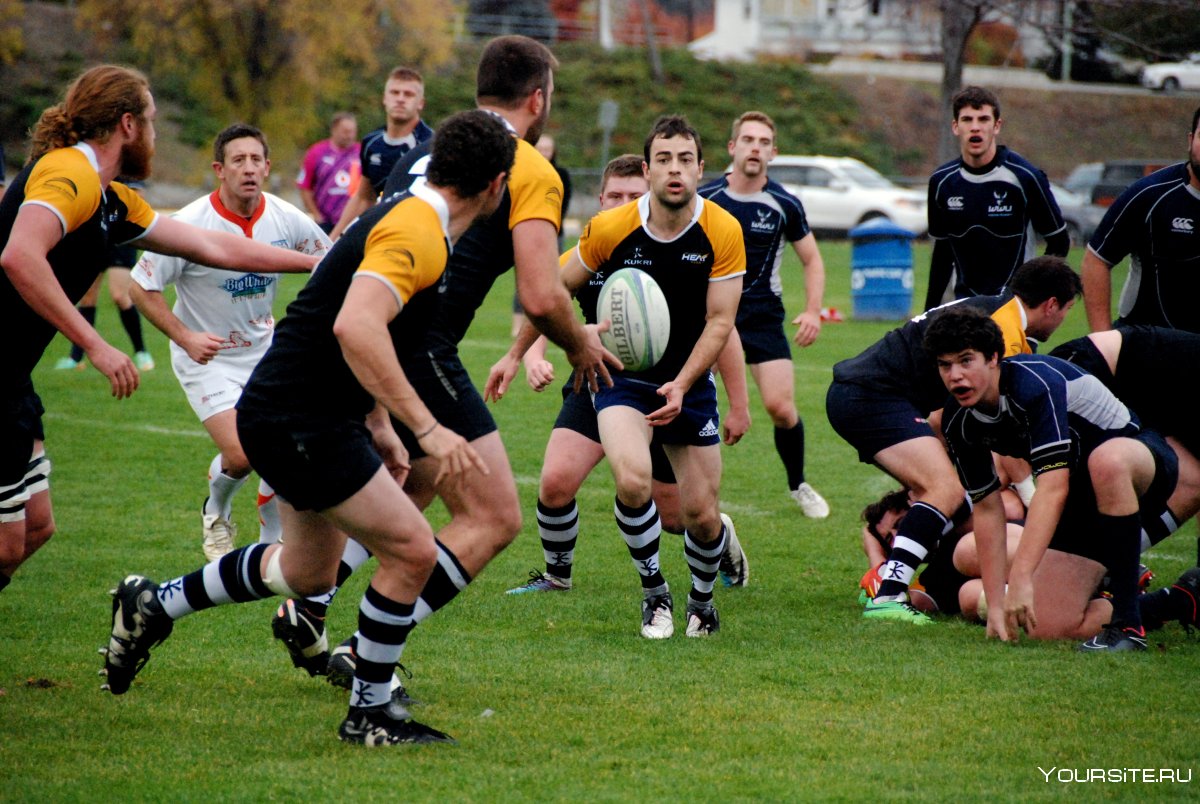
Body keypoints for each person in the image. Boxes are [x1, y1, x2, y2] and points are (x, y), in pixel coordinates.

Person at [100, 110, 516, 748]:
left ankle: (153, 604)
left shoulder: (414, 216)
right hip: (301, 418)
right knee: (412, 549)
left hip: (295, 410)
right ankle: (370, 713)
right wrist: (426, 430)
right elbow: (356, 326)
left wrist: (377, 419)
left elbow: (345, 312)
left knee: (309, 572)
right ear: (495, 185)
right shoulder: (419, 230)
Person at [273, 35, 617, 688]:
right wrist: (579, 345)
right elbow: (543, 294)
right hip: (418, 351)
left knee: (416, 488)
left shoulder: (430, 154)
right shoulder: (533, 170)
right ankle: (365, 650)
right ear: (538, 99)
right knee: (493, 517)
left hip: (367, 341)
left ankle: (301, 607)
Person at [0, 65, 318, 595]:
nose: (155, 132)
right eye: (150, 120)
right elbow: (19, 255)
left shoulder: (111, 199)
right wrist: (96, 345)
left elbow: (214, 247)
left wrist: (313, 265)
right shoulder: (69, 173)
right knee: (8, 541)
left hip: (15, 382)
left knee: (36, 529)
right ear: (127, 125)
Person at [488, 154, 751, 594]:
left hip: (663, 390)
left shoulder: (666, 252)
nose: (624, 203)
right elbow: (547, 303)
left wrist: (740, 405)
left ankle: (718, 535)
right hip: (596, 383)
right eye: (615, 195)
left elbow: (724, 331)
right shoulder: (588, 251)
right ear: (600, 199)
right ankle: (557, 577)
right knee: (555, 482)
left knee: (678, 516)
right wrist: (523, 356)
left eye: (634, 195)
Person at [540, 115, 745, 639]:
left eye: (684, 160)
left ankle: (703, 603)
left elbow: (722, 321)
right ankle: (655, 593)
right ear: (649, 168)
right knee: (632, 480)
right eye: (663, 159)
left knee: (700, 516)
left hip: (690, 383)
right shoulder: (612, 227)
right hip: (622, 381)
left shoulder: (722, 229)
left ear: (701, 169)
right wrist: (567, 341)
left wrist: (684, 383)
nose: (674, 170)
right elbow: (551, 290)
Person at [825, 256, 1082, 624]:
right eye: (1068, 309)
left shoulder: (997, 312)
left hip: (869, 395)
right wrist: (1031, 497)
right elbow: (996, 431)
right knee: (946, 489)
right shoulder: (1003, 334)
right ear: (1052, 304)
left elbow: (949, 421)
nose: (1063, 320)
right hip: (871, 396)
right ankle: (889, 595)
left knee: (956, 491)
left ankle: (906, 577)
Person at [130, 123, 331, 560]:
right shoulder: (187, 224)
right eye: (238, 160)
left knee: (286, 446)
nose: (249, 169)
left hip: (266, 353)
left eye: (256, 160)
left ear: (268, 167)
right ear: (219, 169)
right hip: (208, 357)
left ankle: (267, 546)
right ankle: (215, 510)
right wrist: (184, 337)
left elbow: (327, 264)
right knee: (241, 455)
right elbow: (139, 287)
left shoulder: (284, 217)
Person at [927, 306, 1178, 651]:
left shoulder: (1033, 385)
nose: (955, 375)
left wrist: (1020, 577)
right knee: (1047, 624)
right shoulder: (958, 419)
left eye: (966, 360)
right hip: (1080, 498)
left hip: (1140, 463)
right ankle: (1178, 600)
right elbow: (987, 508)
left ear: (994, 358)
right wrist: (997, 605)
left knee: (1106, 460)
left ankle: (1128, 629)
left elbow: (1053, 488)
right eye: (945, 365)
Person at [698, 110, 830, 518]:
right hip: (710, 316)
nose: (755, 148)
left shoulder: (785, 203)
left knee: (780, 408)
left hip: (762, 317)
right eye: (748, 140)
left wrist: (812, 311)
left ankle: (799, 484)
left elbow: (812, 260)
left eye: (763, 142)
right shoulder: (706, 198)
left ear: (773, 152)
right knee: (694, 401)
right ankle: (693, 490)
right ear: (732, 147)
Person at [924, 86, 1069, 310]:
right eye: (967, 120)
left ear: (996, 126)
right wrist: (929, 313)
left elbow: (1059, 241)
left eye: (983, 119)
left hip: (1014, 308)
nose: (975, 128)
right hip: (966, 309)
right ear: (955, 126)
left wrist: (1034, 296)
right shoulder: (942, 182)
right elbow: (943, 253)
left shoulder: (1025, 177)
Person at [1081, 106, 1200, 333]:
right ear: (1190, 139)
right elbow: (1096, 260)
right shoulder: (1150, 194)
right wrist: (1103, 341)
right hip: (1146, 344)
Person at [53, 181, 155, 372]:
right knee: (88, 297)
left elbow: (138, 196)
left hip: (120, 238)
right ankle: (76, 357)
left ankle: (141, 352)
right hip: (96, 234)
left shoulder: (124, 163)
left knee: (119, 296)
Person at [328, 67, 432, 240]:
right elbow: (364, 198)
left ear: (420, 103)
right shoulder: (371, 143)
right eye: (395, 92)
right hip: (379, 231)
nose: (400, 99)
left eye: (408, 94)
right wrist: (332, 241)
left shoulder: (431, 144)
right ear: (385, 98)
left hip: (416, 235)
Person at [510, 133, 574, 336]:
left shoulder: (561, 174)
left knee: (556, 280)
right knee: (525, 280)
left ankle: (552, 325)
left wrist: (548, 225)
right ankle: (517, 325)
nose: (544, 152)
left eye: (548, 149)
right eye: (541, 148)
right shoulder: (526, 172)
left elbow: (563, 204)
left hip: (555, 233)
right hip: (527, 233)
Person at [296, 112, 360, 233]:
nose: (350, 136)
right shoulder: (317, 152)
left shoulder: (361, 152)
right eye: (345, 131)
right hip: (324, 222)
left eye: (353, 131)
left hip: (353, 222)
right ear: (334, 130)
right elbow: (305, 187)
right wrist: (316, 215)